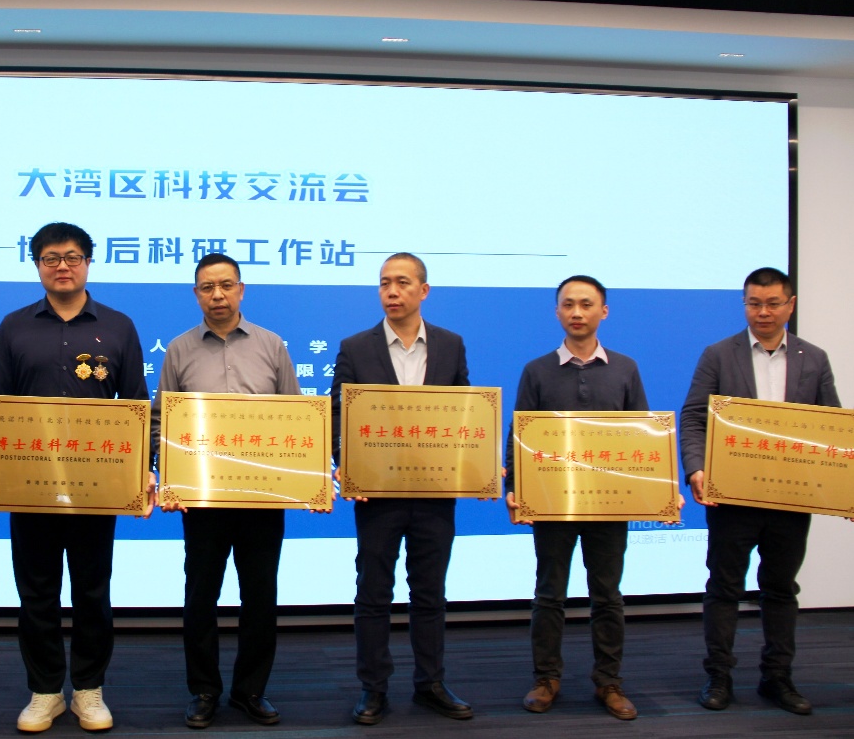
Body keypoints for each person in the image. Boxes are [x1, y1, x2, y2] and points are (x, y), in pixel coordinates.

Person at [0, 222, 148, 733]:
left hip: (96, 486)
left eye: (71, 256)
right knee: (37, 591)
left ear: (88, 262)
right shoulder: (14, 327)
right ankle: (44, 691)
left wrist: (143, 472)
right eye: (50, 258)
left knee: (92, 591)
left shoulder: (118, 327)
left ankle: (88, 689)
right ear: (37, 265)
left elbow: (137, 408)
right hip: (30, 484)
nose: (61, 266)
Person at [680, 267, 840, 716]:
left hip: (791, 498)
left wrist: (840, 487)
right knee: (724, 588)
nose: (763, 312)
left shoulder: (814, 358)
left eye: (772, 303)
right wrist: (696, 469)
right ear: (744, 304)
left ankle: (777, 678)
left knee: (781, 589)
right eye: (754, 303)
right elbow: (693, 417)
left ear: (790, 305)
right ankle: (719, 676)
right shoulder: (718, 354)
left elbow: (832, 427)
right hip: (731, 497)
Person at [153, 253, 301, 729]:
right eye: (207, 287)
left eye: (226, 285)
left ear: (241, 290)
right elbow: (161, 423)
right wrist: (167, 476)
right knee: (201, 596)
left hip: (262, 497)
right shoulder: (179, 349)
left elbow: (298, 417)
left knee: (260, 596)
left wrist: (306, 484)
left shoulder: (272, 345)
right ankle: (204, 690)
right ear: (196, 294)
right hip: (202, 500)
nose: (217, 295)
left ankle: (250, 690)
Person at [329, 252, 473, 724]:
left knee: (430, 593)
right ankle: (373, 688)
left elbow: (466, 412)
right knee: (373, 592)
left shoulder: (450, 345)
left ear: (423, 291)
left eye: (403, 282)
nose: (392, 291)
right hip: (377, 492)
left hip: (434, 492)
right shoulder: (356, 347)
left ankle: (431, 683)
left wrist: (476, 468)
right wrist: (347, 464)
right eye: (385, 283)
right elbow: (337, 415)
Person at [504, 275, 646, 721]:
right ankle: (546, 678)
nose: (577, 312)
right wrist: (514, 488)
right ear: (557, 312)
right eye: (568, 304)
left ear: (604, 311)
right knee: (549, 593)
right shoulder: (537, 370)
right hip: (552, 502)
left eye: (586, 304)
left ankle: (609, 682)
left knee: (607, 596)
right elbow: (519, 434)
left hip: (609, 503)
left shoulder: (625, 369)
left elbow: (645, 437)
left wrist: (657, 491)